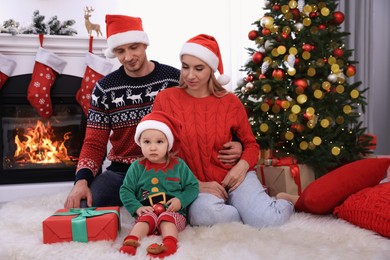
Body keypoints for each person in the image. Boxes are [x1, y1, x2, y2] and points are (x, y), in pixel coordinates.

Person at [64, 15, 241, 209]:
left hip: (168, 168)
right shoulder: (104, 89)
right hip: (124, 171)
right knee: (84, 204)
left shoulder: (174, 79)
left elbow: (207, 109)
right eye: (120, 51)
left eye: (133, 48)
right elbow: (94, 143)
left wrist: (237, 142)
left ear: (144, 44)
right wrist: (81, 180)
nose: (128, 57)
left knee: (180, 208)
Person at [152, 34, 295, 228]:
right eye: (185, 67)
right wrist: (196, 185)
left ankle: (284, 201)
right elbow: (158, 153)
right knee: (205, 216)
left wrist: (241, 167)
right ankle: (246, 211)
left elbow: (251, 145)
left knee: (268, 221)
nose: (190, 75)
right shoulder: (165, 100)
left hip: (234, 176)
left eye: (199, 68)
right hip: (195, 185)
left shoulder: (230, 102)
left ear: (211, 69)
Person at [119, 111, 198, 258]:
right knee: (144, 220)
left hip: (173, 213)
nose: (153, 148)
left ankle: (169, 243)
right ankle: (131, 240)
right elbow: (126, 190)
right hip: (148, 211)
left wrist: (180, 200)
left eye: (159, 142)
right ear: (139, 143)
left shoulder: (179, 165)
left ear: (168, 143)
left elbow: (193, 186)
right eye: (147, 142)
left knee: (167, 219)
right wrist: (137, 207)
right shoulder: (137, 166)